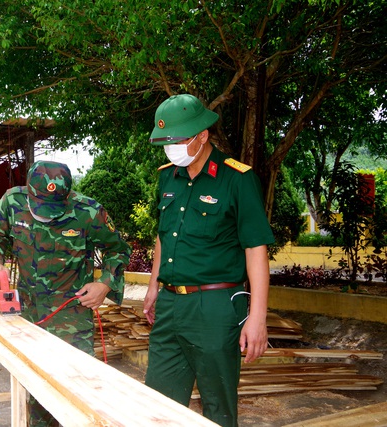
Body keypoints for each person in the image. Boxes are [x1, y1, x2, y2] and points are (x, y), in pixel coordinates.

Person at [142, 94, 275, 427]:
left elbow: (256, 249)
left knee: (218, 411)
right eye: (166, 142)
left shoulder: (237, 179)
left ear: (202, 135)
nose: (171, 148)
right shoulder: (166, 177)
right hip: (170, 305)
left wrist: (258, 316)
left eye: (178, 140)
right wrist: (153, 286)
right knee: (156, 406)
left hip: (214, 309)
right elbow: (163, 235)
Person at [0, 160, 131, 427]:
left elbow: (119, 249)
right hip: (28, 314)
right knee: (35, 387)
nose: (47, 217)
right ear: (29, 192)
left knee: (78, 391)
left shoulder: (87, 211)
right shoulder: (12, 202)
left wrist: (105, 284)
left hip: (72, 315)